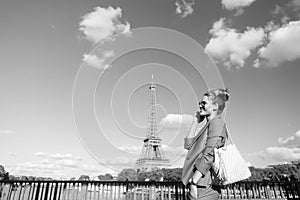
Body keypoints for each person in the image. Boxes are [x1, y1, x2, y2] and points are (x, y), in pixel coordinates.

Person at [182, 88, 230, 200]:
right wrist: (195, 122)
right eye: (200, 103)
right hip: (199, 183)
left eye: (204, 103)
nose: (200, 106)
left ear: (215, 106)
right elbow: (188, 146)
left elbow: (211, 153)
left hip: (203, 184)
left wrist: (194, 181)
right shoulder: (208, 125)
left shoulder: (217, 123)